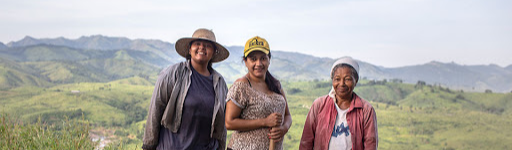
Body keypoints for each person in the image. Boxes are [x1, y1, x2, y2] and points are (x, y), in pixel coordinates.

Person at [142, 28, 230, 150]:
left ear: (214, 52)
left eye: (207, 45)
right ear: (189, 49)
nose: (202, 47)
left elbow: (221, 126)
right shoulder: (172, 74)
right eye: (197, 44)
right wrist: (148, 146)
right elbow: (155, 110)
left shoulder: (220, 83)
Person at [225, 36, 292, 150]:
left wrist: (283, 128)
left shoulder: (276, 85)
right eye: (253, 59)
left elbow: (287, 115)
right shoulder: (241, 86)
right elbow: (229, 123)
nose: (259, 63)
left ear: (269, 60)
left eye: (263, 58)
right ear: (245, 62)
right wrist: (265, 122)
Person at [299, 57, 378, 150]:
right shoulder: (319, 105)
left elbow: (370, 144)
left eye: (347, 79)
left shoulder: (366, 110)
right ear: (332, 80)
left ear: (355, 81)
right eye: (337, 79)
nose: (342, 83)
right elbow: (306, 141)